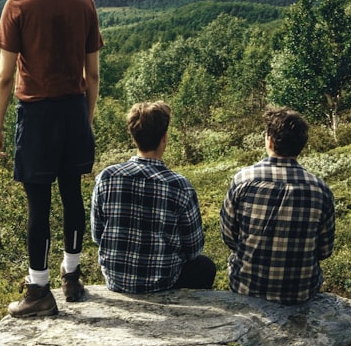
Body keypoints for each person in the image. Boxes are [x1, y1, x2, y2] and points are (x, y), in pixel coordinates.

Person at [0, 0, 103, 318]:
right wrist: (85, 119)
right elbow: (93, 75)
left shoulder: (18, 6)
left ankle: (39, 291)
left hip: (36, 116)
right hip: (74, 110)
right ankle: (72, 278)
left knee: (38, 204)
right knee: (72, 195)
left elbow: (5, 76)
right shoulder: (84, 3)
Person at [91, 101, 216, 293]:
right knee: (205, 266)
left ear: (133, 137)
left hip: (117, 281)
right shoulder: (179, 185)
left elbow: (98, 235)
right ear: (164, 138)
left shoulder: (107, 177)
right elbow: (194, 248)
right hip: (163, 282)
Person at [220, 106, 335, 305]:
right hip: (301, 292)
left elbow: (229, 237)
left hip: (247, 286)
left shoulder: (243, 180)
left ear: (270, 141)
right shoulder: (320, 189)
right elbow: (324, 251)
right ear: (301, 145)